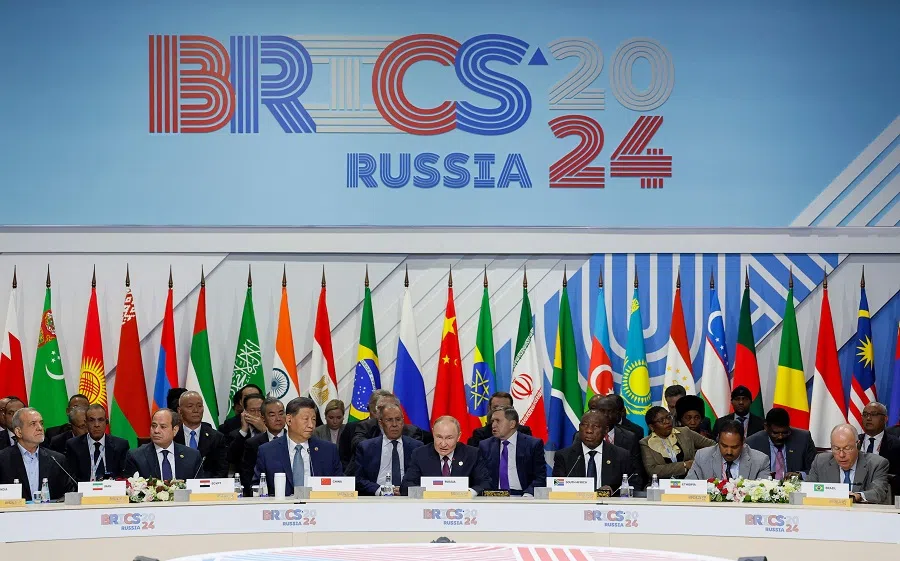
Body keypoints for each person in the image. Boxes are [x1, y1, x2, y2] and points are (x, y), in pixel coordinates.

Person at [254, 397, 342, 496]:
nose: (311, 425)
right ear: (289, 420)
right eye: (305, 419)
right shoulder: (267, 451)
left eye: (313, 419)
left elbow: (339, 487)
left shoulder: (328, 451)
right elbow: (258, 489)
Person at [401, 415, 491, 496]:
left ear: (458, 437)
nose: (443, 444)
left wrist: (469, 493)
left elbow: (485, 484)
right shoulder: (420, 454)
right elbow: (406, 486)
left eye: (449, 438)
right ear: (433, 433)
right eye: (439, 437)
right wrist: (427, 493)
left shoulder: (472, 454)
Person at [0, 407, 76, 500]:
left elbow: (69, 493)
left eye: (41, 423)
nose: (40, 428)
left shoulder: (57, 460)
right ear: (19, 432)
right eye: (33, 424)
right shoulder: (3, 460)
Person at [350, 402, 423, 495]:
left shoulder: (416, 447)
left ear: (403, 422)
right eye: (389, 420)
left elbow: (421, 479)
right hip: (375, 498)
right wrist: (380, 491)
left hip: (406, 498)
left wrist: (404, 490)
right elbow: (358, 479)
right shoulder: (366, 448)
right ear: (381, 423)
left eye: (398, 419)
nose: (394, 424)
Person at [808, 423, 891, 504]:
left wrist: (858, 496)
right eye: (836, 448)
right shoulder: (820, 462)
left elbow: (879, 492)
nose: (841, 455)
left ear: (858, 445)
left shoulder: (876, 464)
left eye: (847, 448)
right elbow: (808, 490)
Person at [552, 410, 632, 492]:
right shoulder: (563, 456)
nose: (589, 430)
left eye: (596, 426)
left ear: (606, 430)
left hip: (609, 503)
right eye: (585, 425)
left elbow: (632, 485)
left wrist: (612, 492)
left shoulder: (621, 455)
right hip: (576, 503)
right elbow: (557, 485)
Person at [575, 396, 644, 489]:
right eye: (602, 411)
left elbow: (636, 474)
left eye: (610, 411)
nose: (606, 415)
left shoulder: (630, 437)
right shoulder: (581, 436)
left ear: (618, 413)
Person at [478, 407, 545, 496]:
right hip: (494, 497)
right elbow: (481, 477)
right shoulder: (485, 446)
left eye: (498, 421)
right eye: (492, 421)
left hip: (523, 496)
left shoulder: (533, 445)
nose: (493, 425)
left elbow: (540, 477)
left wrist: (528, 495)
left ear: (512, 424)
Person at [123, 409, 203, 480]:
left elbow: (199, 490)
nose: (156, 430)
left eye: (163, 427)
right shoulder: (136, 457)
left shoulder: (192, 456)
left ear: (175, 430)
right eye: (154, 426)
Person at [640, 406, 715, 479]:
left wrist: (698, 457)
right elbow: (652, 470)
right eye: (661, 420)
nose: (667, 422)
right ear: (651, 427)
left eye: (668, 417)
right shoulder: (645, 443)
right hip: (662, 485)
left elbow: (713, 445)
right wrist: (685, 465)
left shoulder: (685, 432)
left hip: (690, 481)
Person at [687, 419, 770, 481]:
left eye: (734, 447)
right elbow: (689, 487)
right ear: (718, 440)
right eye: (724, 446)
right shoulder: (702, 456)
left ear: (743, 442)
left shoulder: (760, 461)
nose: (729, 452)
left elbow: (763, 494)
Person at [745, 407, 816, 480]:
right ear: (766, 427)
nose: (780, 437)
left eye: (785, 432)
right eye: (775, 433)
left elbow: (815, 470)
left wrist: (800, 475)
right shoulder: (752, 443)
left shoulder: (803, 438)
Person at [65, 404, 129, 481]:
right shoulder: (73, 445)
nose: (96, 425)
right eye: (91, 420)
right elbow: (72, 477)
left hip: (111, 490)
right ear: (86, 423)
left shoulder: (120, 445)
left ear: (106, 422)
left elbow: (124, 476)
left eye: (101, 420)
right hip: (85, 491)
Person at [174, 391, 228, 478]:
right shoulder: (172, 435)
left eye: (199, 406)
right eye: (190, 406)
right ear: (180, 411)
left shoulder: (216, 437)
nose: (196, 410)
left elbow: (221, 471)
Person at [239, 398, 287, 495]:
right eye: (272, 415)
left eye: (281, 413)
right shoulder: (253, 443)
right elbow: (247, 476)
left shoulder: (293, 440)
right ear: (263, 418)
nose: (278, 418)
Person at [857, 402, 900, 498]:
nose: (868, 418)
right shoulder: (853, 442)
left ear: (885, 419)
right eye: (865, 414)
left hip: (886, 496)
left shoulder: (897, 445)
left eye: (874, 414)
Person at [467, 392, 533, 447]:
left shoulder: (524, 431)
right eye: (495, 407)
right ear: (489, 409)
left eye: (504, 407)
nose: (499, 410)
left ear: (512, 409)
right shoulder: (480, 434)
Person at [226, 392, 266, 469]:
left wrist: (264, 430)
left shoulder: (276, 432)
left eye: (260, 410)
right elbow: (231, 459)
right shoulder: (236, 434)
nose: (257, 414)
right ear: (245, 413)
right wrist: (244, 430)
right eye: (252, 410)